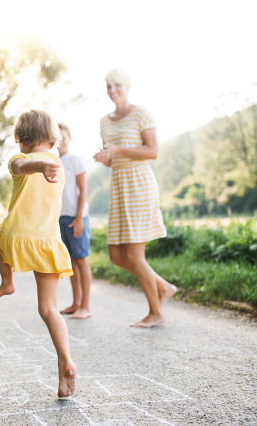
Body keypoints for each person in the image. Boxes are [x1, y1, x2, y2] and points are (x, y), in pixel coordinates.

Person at [0, 110, 77, 398]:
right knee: (49, 309)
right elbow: (30, 167)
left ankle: (7, 280)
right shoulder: (58, 165)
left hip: (18, 236)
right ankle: (65, 359)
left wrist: (36, 164)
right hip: (48, 244)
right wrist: (43, 164)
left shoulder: (22, 159)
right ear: (52, 139)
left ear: (19, 138)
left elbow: (20, 167)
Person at [93, 67, 177, 328]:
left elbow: (152, 151)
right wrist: (106, 158)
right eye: (108, 86)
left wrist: (118, 148)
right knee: (116, 256)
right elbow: (112, 160)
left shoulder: (141, 112)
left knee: (134, 255)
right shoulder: (104, 122)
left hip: (139, 184)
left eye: (116, 85)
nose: (112, 90)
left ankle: (156, 312)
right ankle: (162, 286)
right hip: (118, 186)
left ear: (127, 86)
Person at [56, 123, 92, 319]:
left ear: (69, 139)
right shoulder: (52, 162)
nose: (60, 141)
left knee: (81, 260)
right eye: (56, 138)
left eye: (63, 137)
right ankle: (76, 302)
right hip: (61, 218)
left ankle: (86, 306)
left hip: (76, 217)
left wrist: (79, 218)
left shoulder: (75, 161)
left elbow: (83, 190)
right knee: (70, 262)